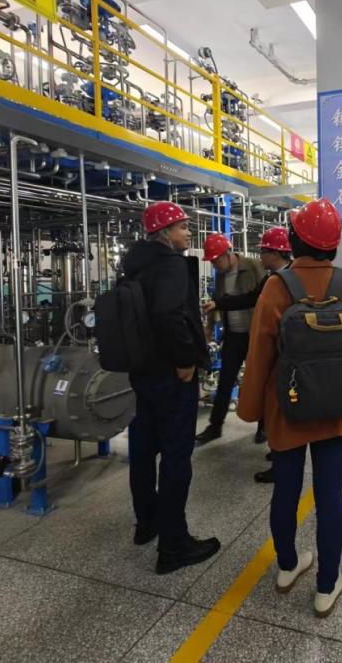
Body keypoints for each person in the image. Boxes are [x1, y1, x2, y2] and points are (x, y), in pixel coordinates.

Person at [237, 199, 342, 618]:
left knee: (286, 490)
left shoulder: (276, 286)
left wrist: (251, 407)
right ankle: (327, 585)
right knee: (330, 493)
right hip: (338, 408)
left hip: (288, 407)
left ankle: (287, 565)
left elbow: (259, 354)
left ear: (295, 239)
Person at [121, 202, 220, 575]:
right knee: (177, 456)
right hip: (171, 375)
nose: (188, 232)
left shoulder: (134, 266)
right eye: (182, 227)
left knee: (143, 451)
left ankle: (146, 523)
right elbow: (169, 315)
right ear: (165, 233)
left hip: (142, 373)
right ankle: (174, 546)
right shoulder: (171, 265)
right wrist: (185, 359)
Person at [204, 226, 293, 483]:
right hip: (253, 339)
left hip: (277, 346)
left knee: (276, 395)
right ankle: (278, 450)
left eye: (263, 251)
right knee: (267, 393)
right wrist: (218, 305)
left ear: (275, 253)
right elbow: (250, 298)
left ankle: (280, 451)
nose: (260, 255)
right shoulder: (272, 278)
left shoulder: (282, 277)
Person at [196, 233, 264, 446]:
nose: (214, 265)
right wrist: (209, 328)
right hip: (233, 336)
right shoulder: (221, 275)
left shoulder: (253, 267)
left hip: (254, 335)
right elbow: (217, 302)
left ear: (228, 253)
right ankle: (215, 426)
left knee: (259, 382)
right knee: (225, 382)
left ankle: (264, 427)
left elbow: (261, 298)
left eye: (216, 260)